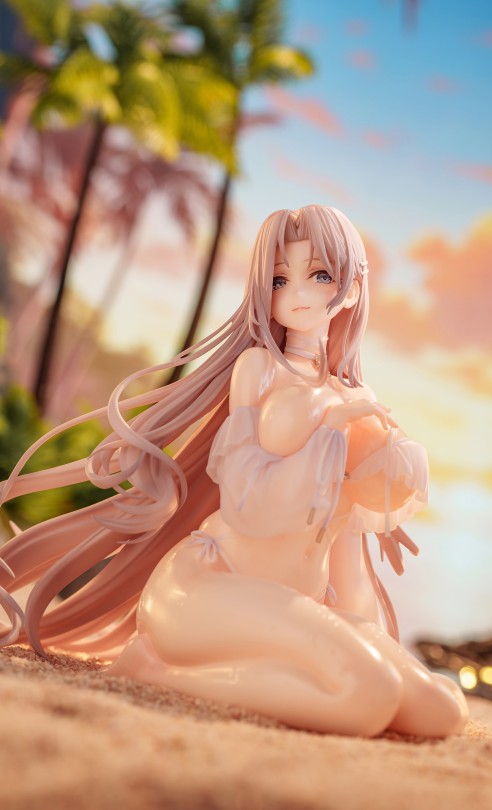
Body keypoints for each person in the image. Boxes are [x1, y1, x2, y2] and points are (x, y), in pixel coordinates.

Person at [0, 205, 467, 737]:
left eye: (319, 274)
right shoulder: (260, 370)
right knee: (367, 695)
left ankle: (306, 667)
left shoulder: (357, 399)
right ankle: (152, 668)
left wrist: (366, 631)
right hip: (206, 589)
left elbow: (347, 554)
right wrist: (331, 429)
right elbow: (247, 501)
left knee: (439, 709)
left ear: (353, 288)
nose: (297, 292)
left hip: (287, 606)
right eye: (279, 279)